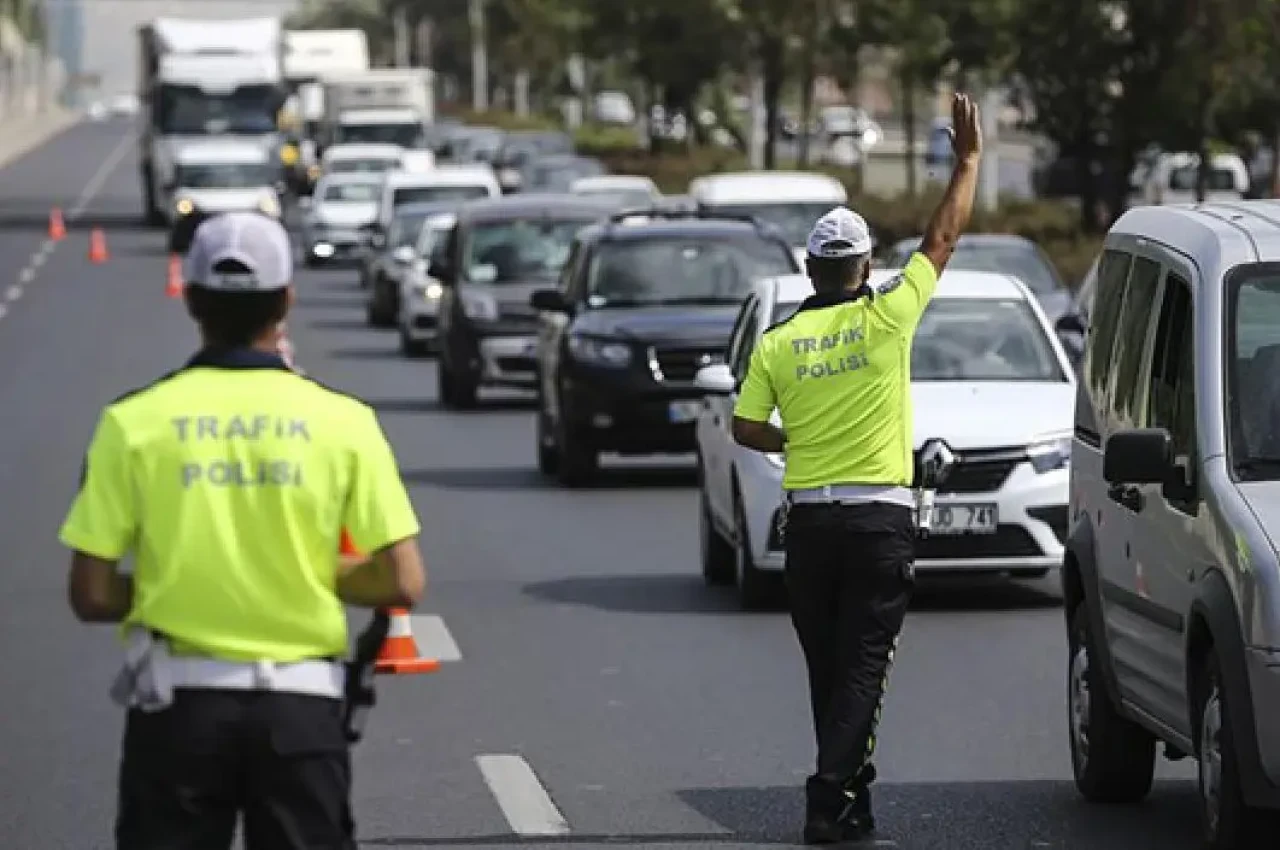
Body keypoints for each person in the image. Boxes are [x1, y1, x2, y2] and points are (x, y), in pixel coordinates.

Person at [59, 211, 427, 850]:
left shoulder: (132, 423)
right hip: (301, 712)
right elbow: (402, 580)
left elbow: (90, 593)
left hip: (177, 710)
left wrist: (175, 584)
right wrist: (313, 575)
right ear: (286, 300)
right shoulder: (345, 423)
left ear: (192, 299)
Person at [730, 92, 983, 845]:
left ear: (810, 269)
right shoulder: (888, 317)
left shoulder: (779, 342)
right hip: (879, 522)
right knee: (865, 668)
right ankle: (825, 795)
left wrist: (792, 441)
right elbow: (941, 239)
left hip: (808, 523)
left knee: (830, 670)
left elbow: (745, 427)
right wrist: (967, 161)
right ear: (867, 266)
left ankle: (851, 801)